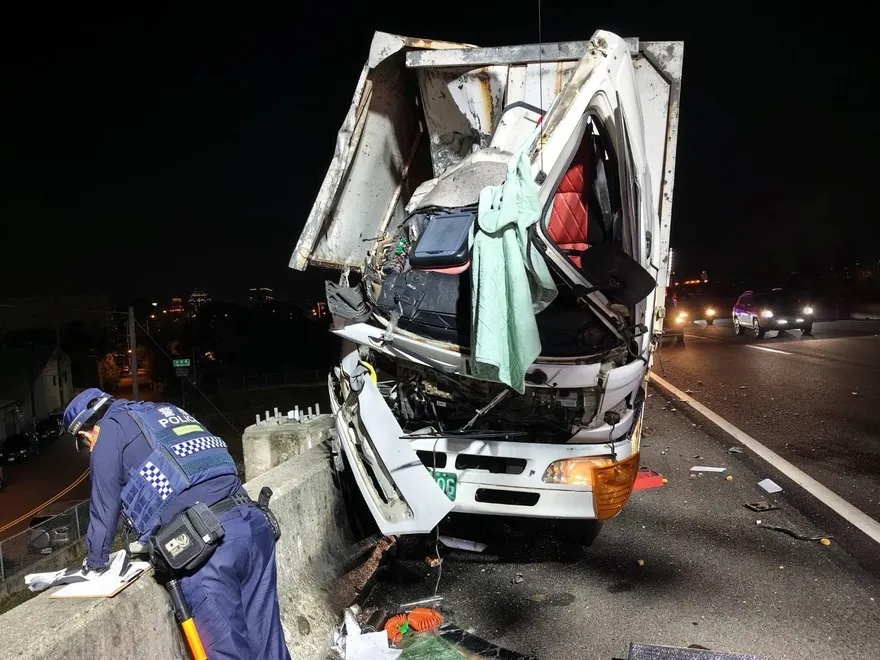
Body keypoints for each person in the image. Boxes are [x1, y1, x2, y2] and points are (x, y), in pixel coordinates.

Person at [63, 388, 291, 660]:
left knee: (227, 650)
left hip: (208, 545)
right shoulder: (162, 411)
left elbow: (104, 508)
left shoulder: (108, 431)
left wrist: (96, 563)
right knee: (268, 645)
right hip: (253, 523)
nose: (88, 448)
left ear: (85, 432)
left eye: (82, 442)